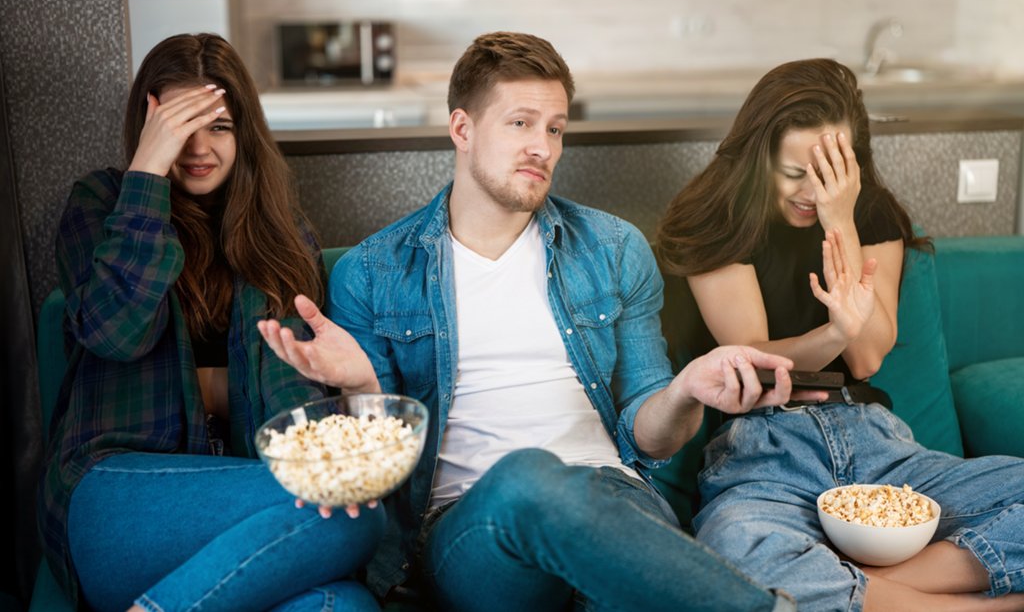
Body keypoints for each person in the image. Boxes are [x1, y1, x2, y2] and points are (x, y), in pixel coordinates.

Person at [259, 31, 805, 612]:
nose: (542, 147)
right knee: (529, 479)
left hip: (612, 498)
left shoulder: (614, 248)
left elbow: (652, 439)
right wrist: (361, 387)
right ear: (463, 129)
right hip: (470, 528)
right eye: (520, 123)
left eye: (555, 128)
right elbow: (380, 477)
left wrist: (686, 391)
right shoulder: (374, 271)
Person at [656, 58, 1024, 612]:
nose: (812, 192)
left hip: (876, 440)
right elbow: (751, 360)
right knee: (733, 550)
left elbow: (870, 355)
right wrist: (833, 333)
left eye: (829, 173)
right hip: (766, 445)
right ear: (759, 159)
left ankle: (848, 586)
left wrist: (842, 221)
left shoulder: (867, 213)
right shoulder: (714, 217)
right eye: (794, 173)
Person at [38, 33, 384, 612]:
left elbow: (292, 398)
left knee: (340, 604)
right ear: (149, 128)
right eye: (179, 126)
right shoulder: (100, 202)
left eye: (218, 127)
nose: (198, 147)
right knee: (353, 513)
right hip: (114, 496)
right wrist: (147, 171)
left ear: (243, 132)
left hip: (246, 513)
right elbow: (115, 334)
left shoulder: (281, 234)